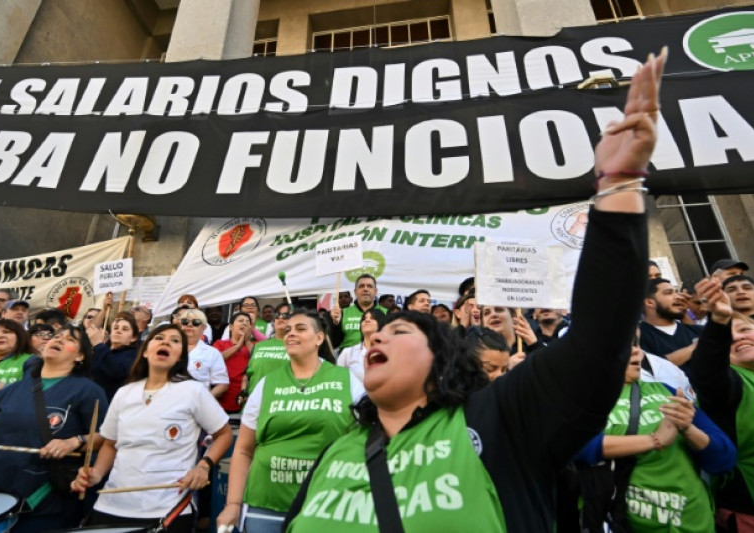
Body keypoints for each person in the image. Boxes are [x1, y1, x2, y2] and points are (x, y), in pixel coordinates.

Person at [281, 48, 666, 533]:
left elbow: (600, 336)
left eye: (399, 330)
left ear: (443, 357)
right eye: (379, 333)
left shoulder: (503, 418)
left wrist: (619, 184)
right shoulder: (338, 448)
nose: (375, 337)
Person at [70, 324, 233, 531]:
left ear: (180, 357)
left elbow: (224, 434)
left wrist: (203, 466)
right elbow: (111, 443)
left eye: (175, 341)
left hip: (167, 508)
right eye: (159, 338)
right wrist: (96, 474)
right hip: (113, 504)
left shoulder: (193, 391)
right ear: (145, 351)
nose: (166, 342)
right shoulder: (124, 393)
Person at [0, 325, 108, 533]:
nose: (58, 340)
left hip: (41, 495)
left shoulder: (88, 390)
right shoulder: (14, 388)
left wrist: (73, 441)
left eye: (70, 340)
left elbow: (104, 437)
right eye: (56, 336)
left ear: (80, 356)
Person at [218, 310, 364, 533]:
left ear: (319, 338)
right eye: (287, 330)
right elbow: (244, 450)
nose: (290, 334)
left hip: (328, 505)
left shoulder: (347, 381)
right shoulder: (267, 384)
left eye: (300, 329)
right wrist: (233, 504)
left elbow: (366, 442)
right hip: (265, 506)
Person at [574, 337, 735, 532]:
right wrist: (654, 440)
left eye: (636, 344)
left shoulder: (667, 391)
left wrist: (688, 429)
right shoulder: (580, 400)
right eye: (623, 344)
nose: (636, 352)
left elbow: (724, 459)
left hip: (693, 520)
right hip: (628, 522)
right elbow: (573, 446)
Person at [690, 278, 754, 531]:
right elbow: (707, 373)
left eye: (745, 330)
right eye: (728, 338)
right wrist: (719, 322)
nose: (736, 337)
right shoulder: (730, 387)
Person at [640, 278, 702, 369]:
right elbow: (651, 369)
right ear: (649, 302)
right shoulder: (638, 337)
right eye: (668, 293)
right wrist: (694, 348)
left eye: (677, 292)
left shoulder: (699, 331)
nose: (679, 297)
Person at [88, 311, 140, 400]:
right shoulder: (101, 351)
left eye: (125, 329)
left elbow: (115, 370)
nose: (118, 331)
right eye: (116, 328)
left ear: (133, 338)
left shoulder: (134, 355)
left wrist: (98, 345)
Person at [178, 308, 229, 399]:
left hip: (197, 407)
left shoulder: (212, 353)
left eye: (196, 322)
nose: (189, 325)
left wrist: (205, 400)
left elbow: (222, 384)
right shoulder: (170, 348)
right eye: (185, 321)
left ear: (203, 328)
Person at [245, 302, 291, 395]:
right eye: (277, 315)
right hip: (254, 402)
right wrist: (243, 391)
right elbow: (248, 374)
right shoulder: (259, 346)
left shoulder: (301, 347)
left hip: (281, 402)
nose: (281, 318)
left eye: (286, 315)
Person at [213, 311, 255, 413]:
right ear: (231, 327)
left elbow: (259, 360)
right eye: (240, 321)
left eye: (247, 322)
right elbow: (215, 360)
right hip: (222, 401)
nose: (244, 323)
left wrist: (247, 342)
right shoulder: (220, 344)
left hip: (247, 401)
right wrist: (238, 346)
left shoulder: (256, 345)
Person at [331, 274, 387, 350]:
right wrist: (335, 324)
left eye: (369, 286)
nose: (365, 289)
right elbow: (333, 344)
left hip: (378, 356)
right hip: (348, 359)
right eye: (361, 286)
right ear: (355, 292)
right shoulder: (342, 313)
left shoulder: (387, 314)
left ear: (375, 291)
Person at [336, 308, 386, 383]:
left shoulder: (390, 352)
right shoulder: (348, 352)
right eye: (364, 319)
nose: (367, 320)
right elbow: (338, 380)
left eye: (372, 318)